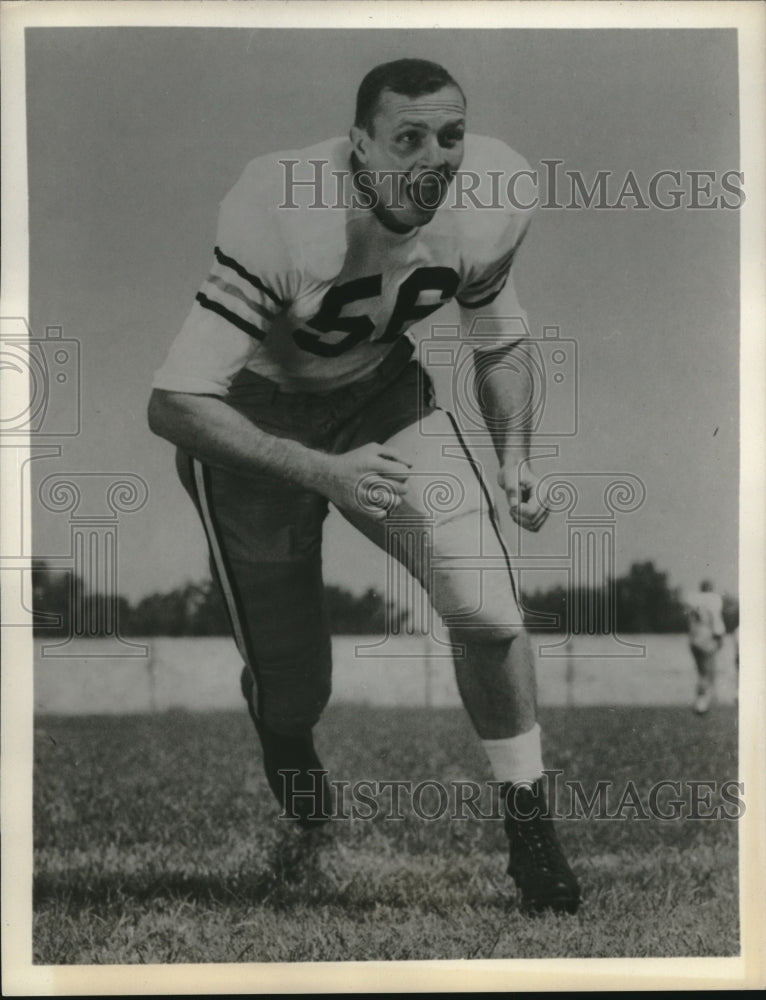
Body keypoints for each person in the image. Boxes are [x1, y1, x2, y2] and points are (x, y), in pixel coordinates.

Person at [148, 58, 580, 915]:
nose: (436, 156)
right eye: (408, 138)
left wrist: (515, 453)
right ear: (359, 148)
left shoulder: (492, 192)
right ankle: (283, 727)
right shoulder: (285, 207)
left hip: (381, 397)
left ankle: (531, 829)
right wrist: (321, 471)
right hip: (256, 419)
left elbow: (498, 337)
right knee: (299, 679)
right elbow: (174, 404)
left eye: (450, 135)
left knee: (488, 608)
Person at [685, 580, 726, 714]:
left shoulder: (694, 601)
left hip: (693, 638)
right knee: (708, 673)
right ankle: (702, 704)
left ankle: (701, 702)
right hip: (706, 638)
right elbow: (716, 620)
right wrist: (719, 637)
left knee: (701, 672)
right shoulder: (712, 600)